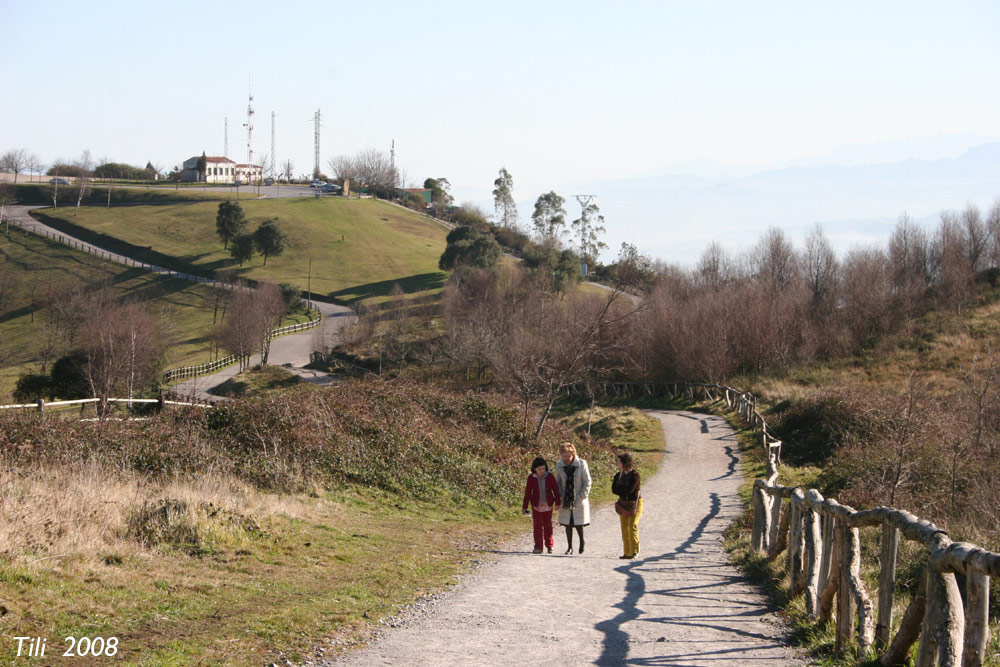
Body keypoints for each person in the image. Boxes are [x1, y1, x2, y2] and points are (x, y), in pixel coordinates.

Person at [555, 442, 591, 555]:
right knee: (568, 523)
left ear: (573, 454)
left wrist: (582, 495)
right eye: (564, 456)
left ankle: (581, 542)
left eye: (568, 456)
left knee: (579, 523)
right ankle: (569, 547)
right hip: (566, 498)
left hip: (579, 498)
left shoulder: (582, 464)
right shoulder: (559, 465)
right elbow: (558, 482)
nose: (566, 458)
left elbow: (587, 481)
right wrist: (561, 494)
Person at [522, 456, 560, 554]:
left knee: (548, 525)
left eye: (543, 468)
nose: (542, 471)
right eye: (539, 469)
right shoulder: (531, 478)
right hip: (536, 506)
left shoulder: (549, 476)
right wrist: (524, 507)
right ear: (535, 469)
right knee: (537, 526)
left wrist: (557, 502)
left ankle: (549, 545)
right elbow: (528, 493)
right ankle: (538, 547)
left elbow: (555, 489)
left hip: (548, 505)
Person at [612, 452, 643, 559]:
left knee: (632, 525)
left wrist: (621, 490)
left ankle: (635, 550)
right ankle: (627, 552)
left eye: (619, 462)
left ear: (624, 463)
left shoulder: (635, 475)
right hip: (623, 504)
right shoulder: (618, 475)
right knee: (624, 527)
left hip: (635, 503)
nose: (617, 463)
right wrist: (622, 491)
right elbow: (614, 489)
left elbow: (630, 490)